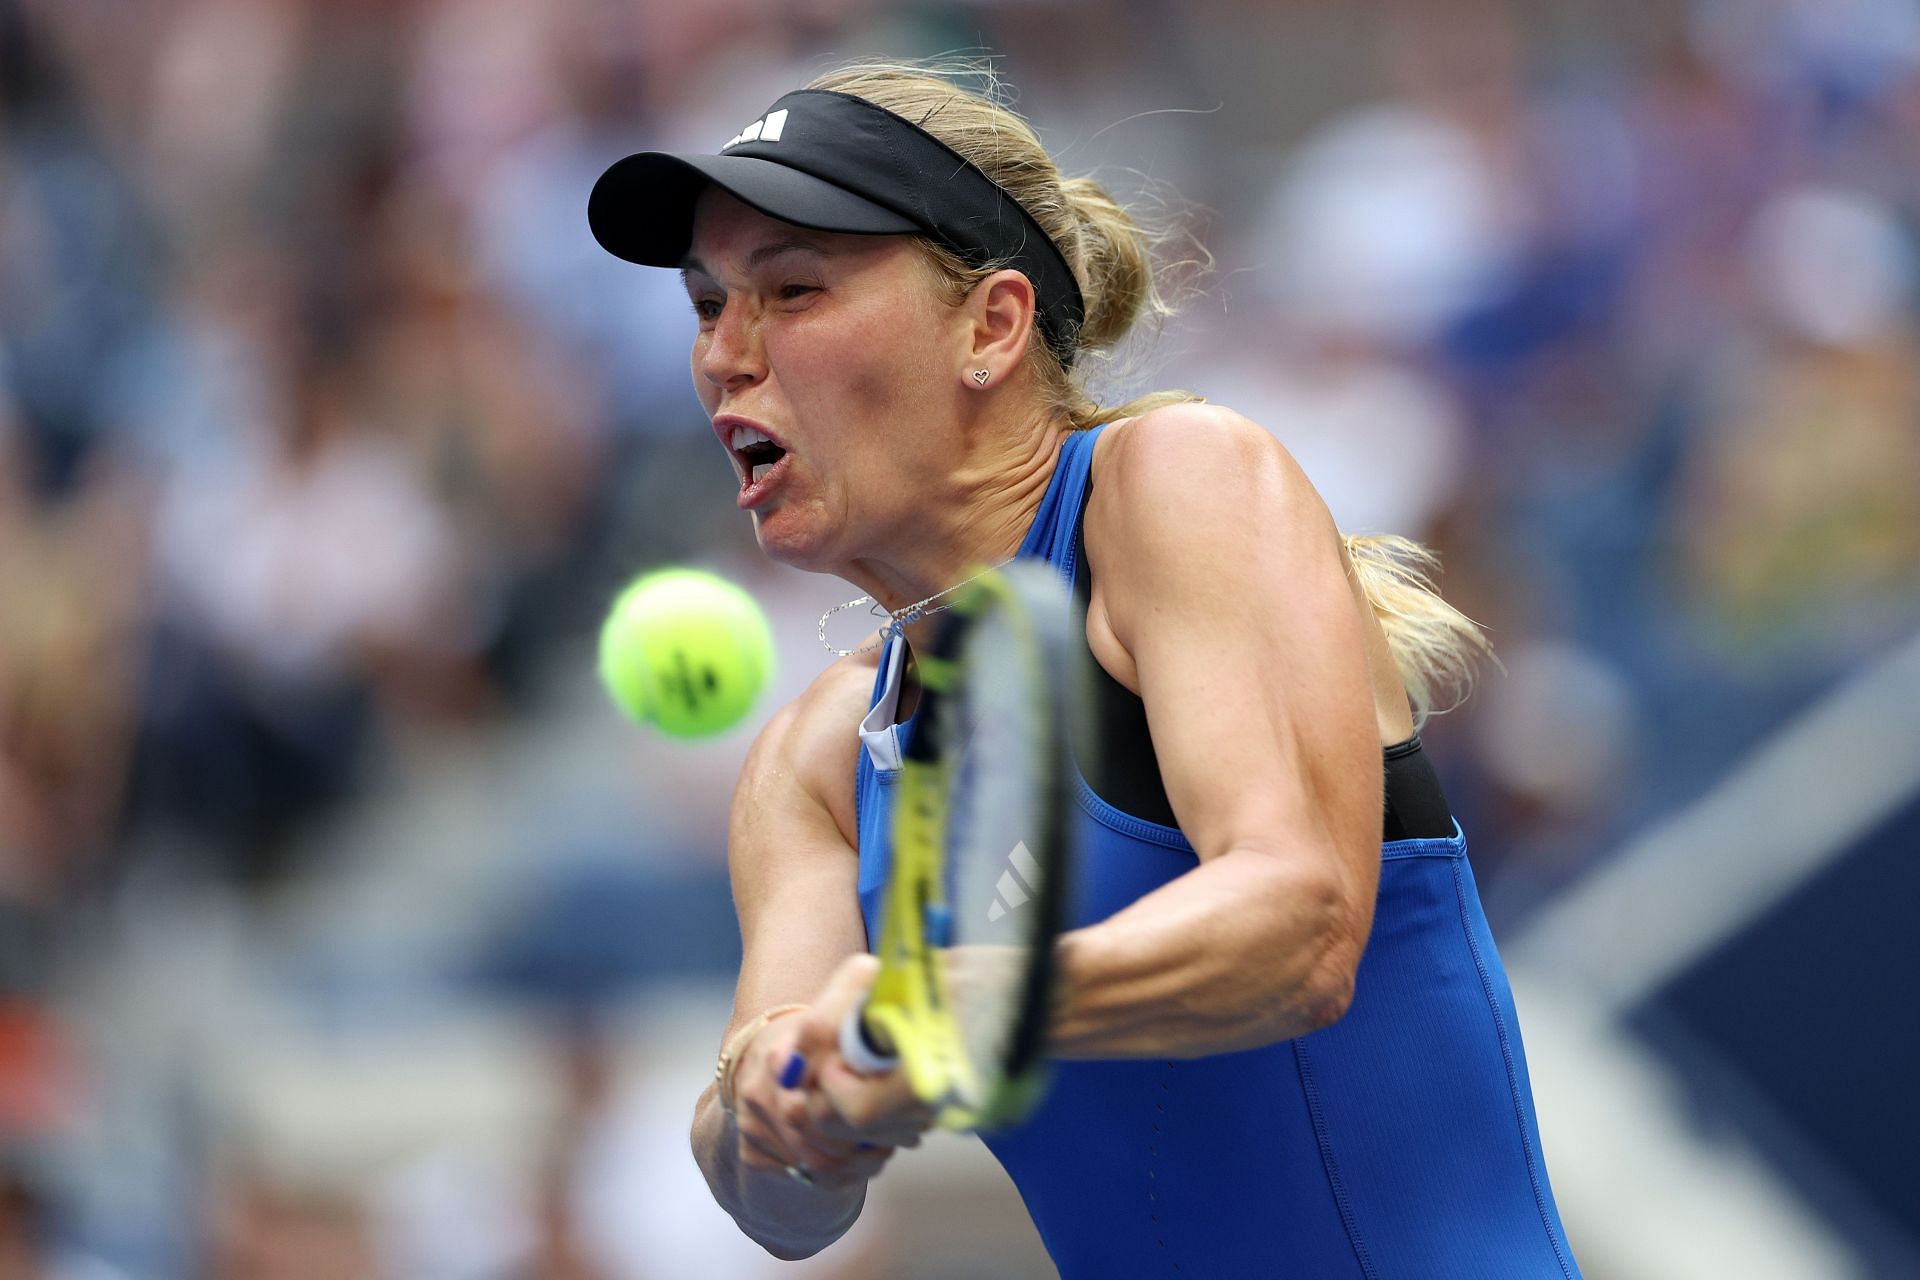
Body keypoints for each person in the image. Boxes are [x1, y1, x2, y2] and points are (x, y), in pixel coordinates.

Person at [588, 59, 1582, 1279]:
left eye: (792, 289)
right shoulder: (817, 766)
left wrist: (947, 1007)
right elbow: (785, 1207)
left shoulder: (1175, 481)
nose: (723, 356)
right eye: (705, 305)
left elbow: (1300, 922)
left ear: (990, 326)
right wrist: (782, 1105)